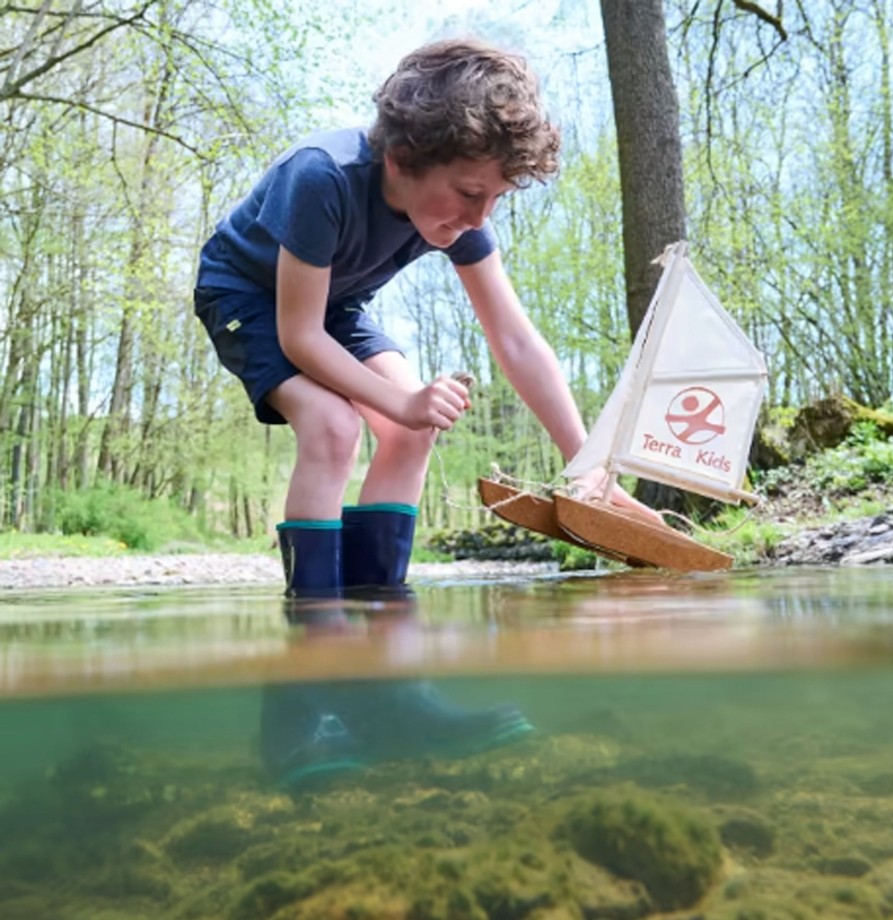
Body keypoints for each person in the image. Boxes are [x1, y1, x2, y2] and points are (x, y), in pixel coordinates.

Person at [194, 37, 660, 786]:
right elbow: (298, 335)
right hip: (250, 296)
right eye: (472, 193)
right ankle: (295, 718)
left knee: (414, 433)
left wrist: (587, 460)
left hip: (336, 304)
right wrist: (402, 399)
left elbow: (514, 337)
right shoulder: (321, 177)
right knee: (334, 426)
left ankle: (387, 700)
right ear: (405, 158)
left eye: (496, 199)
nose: (481, 214)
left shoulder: (462, 212)